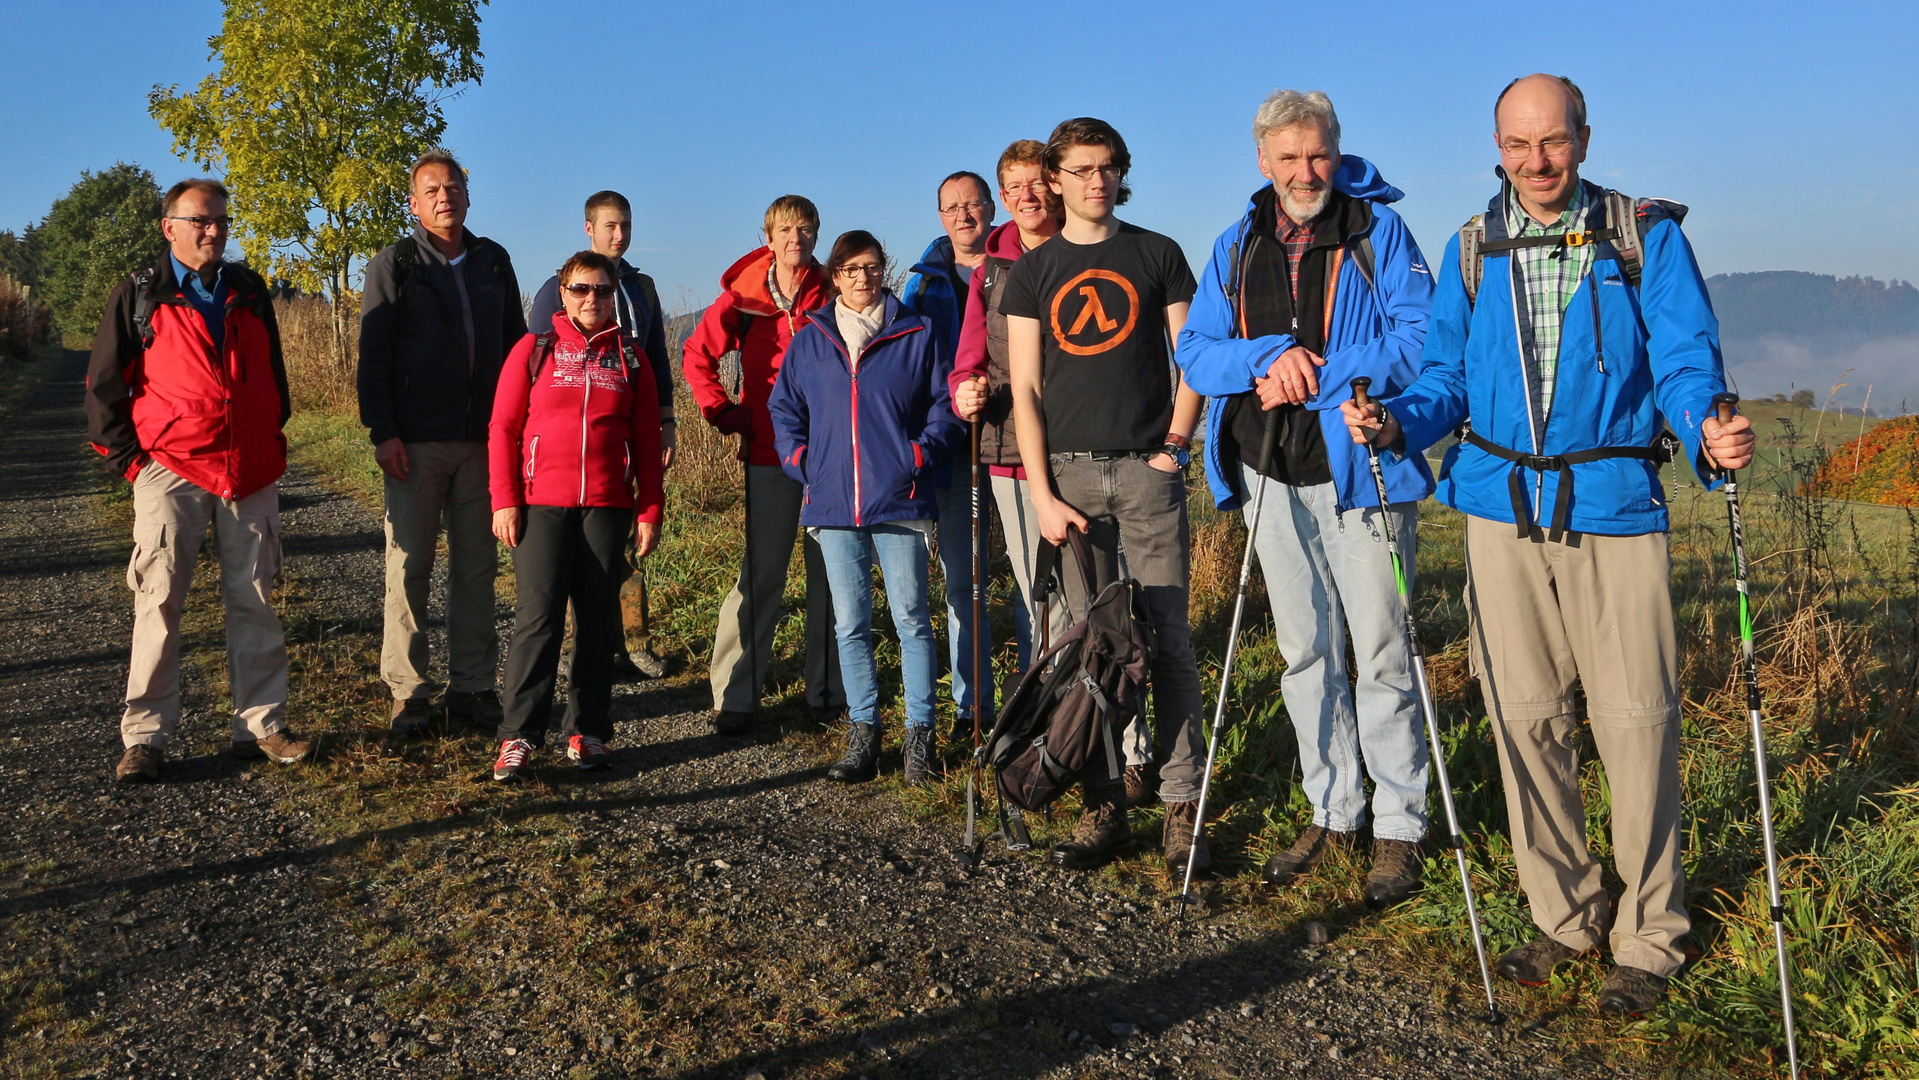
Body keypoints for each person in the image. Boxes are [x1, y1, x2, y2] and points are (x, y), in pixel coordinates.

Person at [1340, 74, 1756, 1016]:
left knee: (1635, 722)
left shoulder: (1640, 236)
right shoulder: (1471, 247)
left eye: (1554, 142)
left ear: (1582, 136)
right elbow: (1445, 374)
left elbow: (1686, 359)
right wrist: (1398, 421)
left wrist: (1707, 431)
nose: (1535, 163)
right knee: (1523, 718)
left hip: (1611, 503)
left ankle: (1649, 937)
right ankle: (1563, 914)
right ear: (1496, 144)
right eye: (1518, 145)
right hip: (1496, 509)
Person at [1176, 90, 1436, 907]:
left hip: (1360, 469)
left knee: (1383, 652)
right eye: (1287, 158)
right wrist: (1264, 358)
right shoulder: (1233, 243)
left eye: (1317, 155)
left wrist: (1321, 371)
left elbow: (1420, 334)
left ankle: (1398, 826)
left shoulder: (1375, 232)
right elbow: (1195, 353)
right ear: (1261, 160)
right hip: (1264, 472)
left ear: (1336, 151)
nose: (1304, 172)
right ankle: (1334, 809)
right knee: (1305, 654)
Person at [1003, 117, 1209, 872]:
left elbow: (1194, 361)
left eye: (1108, 168)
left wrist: (1173, 450)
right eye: (1082, 170)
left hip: (1147, 473)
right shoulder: (1033, 271)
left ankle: (1182, 806)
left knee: (1169, 643)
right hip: (1069, 480)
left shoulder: (1157, 254)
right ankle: (1101, 803)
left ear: (1121, 173)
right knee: (1085, 650)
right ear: (1054, 179)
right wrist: (1041, 492)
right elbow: (1024, 388)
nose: (1097, 181)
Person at [86, 177, 311, 781]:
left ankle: (261, 725)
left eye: (220, 220)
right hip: (171, 470)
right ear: (170, 228)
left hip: (249, 471)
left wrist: (266, 435)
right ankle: (146, 737)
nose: (212, 231)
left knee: (256, 599)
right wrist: (133, 464)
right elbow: (105, 389)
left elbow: (274, 379)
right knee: (158, 601)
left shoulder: (248, 289)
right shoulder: (140, 295)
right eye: (199, 221)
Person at [769, 231, 963, 783]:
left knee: (911, 619)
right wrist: (802, 460)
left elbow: (944, 404)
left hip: (900, 497)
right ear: (834, 276)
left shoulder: (916, 331)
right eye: (851, 269)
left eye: (872, 267)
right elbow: (784, 406)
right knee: (850, 623)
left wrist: (919, 453)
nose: (863, 277)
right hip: (832, 502)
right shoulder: (810, 338)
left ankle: (919, 738)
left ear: (885, 271)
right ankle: (864, 734)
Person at [358, 150, 526, 737]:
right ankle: (409, 693)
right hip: (416, 444)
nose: (444, 197)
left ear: (468, 197)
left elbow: (516, 351)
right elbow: (374, 357)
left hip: (483, 442)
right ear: (414, 203)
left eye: (452, 187)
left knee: (478, 569)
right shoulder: (395, 264)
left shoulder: (493, 262)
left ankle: (474, 686)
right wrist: (384, 432)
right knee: (409, 566)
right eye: (431, 190)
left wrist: (519, 428)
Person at [487, 251, 665, 780]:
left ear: (615, 297)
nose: (592, 299)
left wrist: (650, 507)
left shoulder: (631, 358)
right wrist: (504, 499)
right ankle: (518, 736)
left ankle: (587, 731)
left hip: (608, 505)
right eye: (581, 290)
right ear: (562, 294)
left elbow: (648, 438)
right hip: (542, 503)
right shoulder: (534, 350)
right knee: (537, 620)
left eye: (603, 291)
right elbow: (502, 429)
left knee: (595, 622)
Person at [682, 196, 844, 734]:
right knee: (762, 570)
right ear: (767, 236)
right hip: (769, 451)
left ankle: (828, 690)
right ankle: (736, 691)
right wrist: (723, 412)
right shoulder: (743, 297)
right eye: (784, 229)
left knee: (830, 575)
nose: (795, 237)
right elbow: (696, 355)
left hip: (831, 458)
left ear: (816, 233)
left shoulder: (835, 290)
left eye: (804, 227)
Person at [528, 190, 675, 681]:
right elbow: (540, 361)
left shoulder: (643, 287)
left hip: (632, 431)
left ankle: (634, 641)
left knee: (629, 539)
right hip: (574, 446)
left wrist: (666, 420)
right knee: (581, 550)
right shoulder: (559, 287)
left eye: (626, 225)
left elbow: (656, 357)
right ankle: (582, 644)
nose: (620, 234)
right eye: (610, 225)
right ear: (588, 227)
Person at [900, 171, 995, 726]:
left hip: (1018, 441)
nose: (964, 215)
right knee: (965, 580)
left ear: (990, 207)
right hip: (954, 451)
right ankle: (972, 705)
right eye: (952, 207)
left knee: (1039, 581)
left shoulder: (1019, 261)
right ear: (941, 216)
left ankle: (1038, 707)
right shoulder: (924, 284)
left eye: (973, 205)